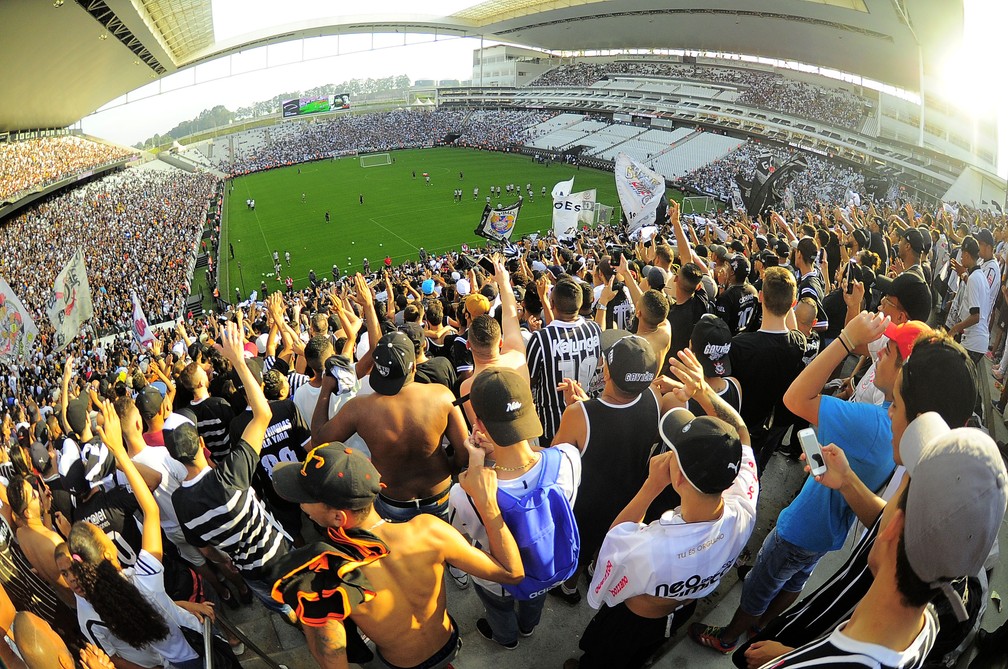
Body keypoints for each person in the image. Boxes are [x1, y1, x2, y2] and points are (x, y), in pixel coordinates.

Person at [692, 313, 921, 653]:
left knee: (759, 582)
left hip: (800, 526)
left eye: (889, 350)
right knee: (795, 579)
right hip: (828, 532)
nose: (880, 353)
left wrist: (845, 338)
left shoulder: (874, 421)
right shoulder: (896, 420)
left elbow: (795, 398)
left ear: (905, 372)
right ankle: (762, 626)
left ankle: (728, 637)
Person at [569, 347, 759, 669]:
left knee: (602, 660)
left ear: (680, 479)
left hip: (634, 619)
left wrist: (651, 486)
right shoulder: (744, 505)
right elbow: (741, 432)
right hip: (680, 607)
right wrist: (705, 391)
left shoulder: (653, 547)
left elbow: (614, 547)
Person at [754, 426, 1006, 669]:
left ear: (894, 527)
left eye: (904, 486)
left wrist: (790, 657)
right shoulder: (927, 624)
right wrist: (846, 481)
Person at [271, 441, 524, 669]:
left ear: (339, 517)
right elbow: (512, 573)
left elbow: (332, 656)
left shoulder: (328, 574)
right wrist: (487, 503)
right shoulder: (430, 530)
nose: (302, 507)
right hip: (448, 644)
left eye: (305, 499)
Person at [59, 399, 225, 669]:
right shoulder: (145, 578)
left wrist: (184, 607)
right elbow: (151, 510)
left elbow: (157, 606)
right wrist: (119, 453)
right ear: (108, 552)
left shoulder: (103, 606)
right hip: (201, 647)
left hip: (175, 662)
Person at [167, 323, 296, 622]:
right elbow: (263, 413)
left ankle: (292, 617)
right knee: (303, 599)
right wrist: (239, 361)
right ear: (201, 443)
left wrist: (227, 561)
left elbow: (207, 551)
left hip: (249, 570)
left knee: (281, 606)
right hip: (279, 554)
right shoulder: (231, 473)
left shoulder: (180, 503)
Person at [451, 368, 582, 649]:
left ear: (479, 425)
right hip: (546, 566)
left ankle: (507, 638)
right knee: (534, 598)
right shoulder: (569, 458)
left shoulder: (464, 494)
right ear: (530, 410)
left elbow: (462, 539)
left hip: (497, 579)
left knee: (498, 608)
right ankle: (528, 627)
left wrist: (480, 462)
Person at [550, 331, 660, 605]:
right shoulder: (655, 398)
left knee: (581, 546)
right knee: (608, 541)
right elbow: (620, 418)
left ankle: (568, 588)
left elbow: (556, 456)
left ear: (606, 371)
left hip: (589, 505)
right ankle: (596, 571)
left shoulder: (578, 415)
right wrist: (587, 405)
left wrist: (580, 409)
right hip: (630, 496)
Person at [312, 331, 468, 522]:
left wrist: (326, 389)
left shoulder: (360, 408)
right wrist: (449, 469)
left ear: (377, 368)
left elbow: (319, 440)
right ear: (414, 367)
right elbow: (463, 451)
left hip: (395, 503)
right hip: (440, 495)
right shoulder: (441, 396)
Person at [727, 266, 806, 470]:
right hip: (775, 424)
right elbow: (794, 329)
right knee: (757, 468)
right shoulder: (798, 342)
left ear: (760, 296)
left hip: (742, 425)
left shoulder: (739, 345)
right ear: (793, 304)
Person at [526, 276, 603, 444]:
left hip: (552, 427)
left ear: (552, 304)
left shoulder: (540, 338)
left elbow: (528, 383)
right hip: (585, 419)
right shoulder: (595, 329)